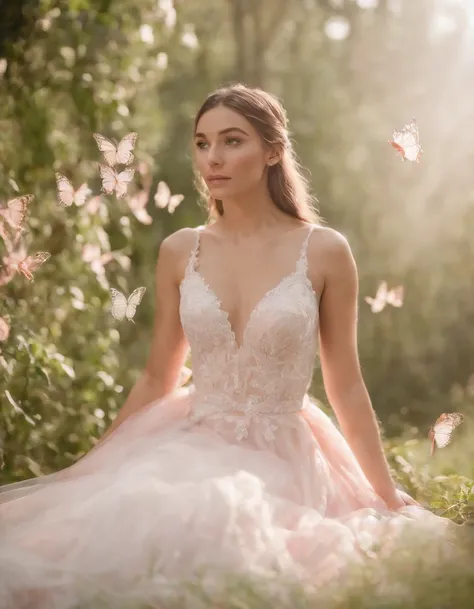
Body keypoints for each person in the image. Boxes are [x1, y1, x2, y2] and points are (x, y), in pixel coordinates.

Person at [0, 83, 455, 608]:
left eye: (232, 141)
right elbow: (156, 378)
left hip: (287, 450)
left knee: (242, 529)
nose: (212, 158)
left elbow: (346, 383)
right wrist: (90, 469)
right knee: (138, 521)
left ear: (273, 151)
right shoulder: (180, 250)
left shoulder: (326, 251)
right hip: (187, 436)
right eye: (202, 143)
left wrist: (384, 492)